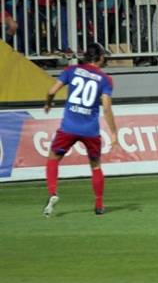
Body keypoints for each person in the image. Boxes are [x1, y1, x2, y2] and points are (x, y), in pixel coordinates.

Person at [42, 43, 118, 216]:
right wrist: (114, 133)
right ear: (99, 58)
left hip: (69, 127)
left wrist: (48, 103)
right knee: (96, 166)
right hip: (90, 130)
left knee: (53, 158)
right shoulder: (106, 79)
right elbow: (106, 108)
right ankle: (99, 204)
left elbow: (52, 90)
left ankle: (53, 192)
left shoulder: (71, 70)